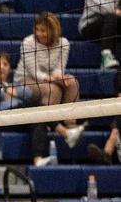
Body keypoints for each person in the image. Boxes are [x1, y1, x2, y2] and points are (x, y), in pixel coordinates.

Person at [16, 12, 85, 165]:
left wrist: (59, 77)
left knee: (72, 82)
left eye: (43, 30)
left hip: (49, 79)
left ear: (53, 31)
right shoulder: (28, 42)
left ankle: (70, 125)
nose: (39, 33)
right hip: (26, 80)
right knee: (52, 89)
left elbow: (59, 68)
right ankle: (46, 126)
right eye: (37, 29)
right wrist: (51, 79)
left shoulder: (64, 43)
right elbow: (34, 72)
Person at [78, 0, 121, 70]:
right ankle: (106, 57)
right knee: (111, 16)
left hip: (112, 29)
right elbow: (107, 10)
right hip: (90, 26)